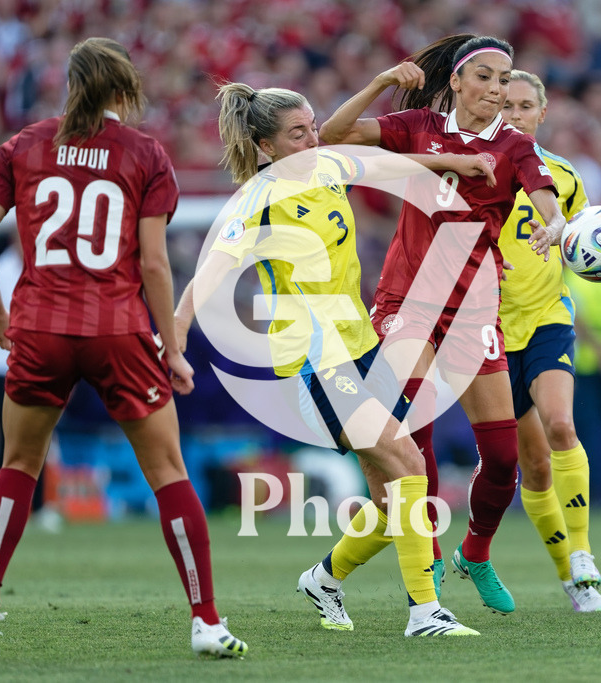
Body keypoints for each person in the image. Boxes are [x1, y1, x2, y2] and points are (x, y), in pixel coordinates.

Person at [0, 37, 247, 659]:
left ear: (70, 86)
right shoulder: (144, 152)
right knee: (168, 471)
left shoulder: (23, 145)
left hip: (39, 326)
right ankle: (206, 621)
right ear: (124, 91)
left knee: (18, 465)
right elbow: (152, 261)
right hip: (117, 328)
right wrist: (172, 346)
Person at [175, 82, 494, 636]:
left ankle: (324, 579)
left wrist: (456, 161)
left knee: (390, 498)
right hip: (318, 363)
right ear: (267, 148)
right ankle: (425, 612)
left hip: (362, 346)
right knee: (411, 467)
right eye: (298, 134)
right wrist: (175, 332)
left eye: (314, 126)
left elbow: (391, 167)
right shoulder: (258, 201)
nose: (313, 138)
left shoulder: (324, 168)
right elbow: (210, 276)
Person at [318, 34, 565, 615]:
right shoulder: (415, 124)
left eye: (504, 80)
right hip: (409, 301)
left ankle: (474, 552)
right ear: (455, 81)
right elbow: (332, 134)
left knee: (503, 457)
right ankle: (424, 568)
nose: (496, 89)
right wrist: (382, 81)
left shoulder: (515, 146)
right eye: (484, 76)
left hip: (475, 309)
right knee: (418, 436)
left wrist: (552, 225)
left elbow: (544, 194)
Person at [497, 70, 601, 612]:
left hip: (546, 316)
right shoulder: (473, 171)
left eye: (524, 106)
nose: (513, 113)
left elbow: (581, 244)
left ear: (541, 114)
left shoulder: (563, 176)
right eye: (506, 103)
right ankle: (569, 577)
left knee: (562, 424)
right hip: (489, 329)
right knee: (534, 466)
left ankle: (583, 557)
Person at [0, 236, 63, 531]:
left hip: (37, 365)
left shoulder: (46, 267)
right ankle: (3, 507)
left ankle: (34, 506)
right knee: (10, 438)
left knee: (38, 435)